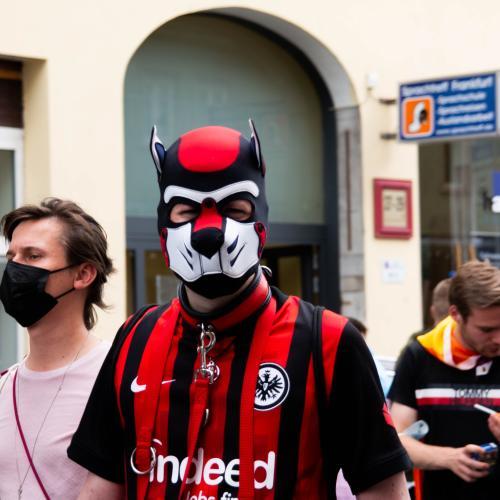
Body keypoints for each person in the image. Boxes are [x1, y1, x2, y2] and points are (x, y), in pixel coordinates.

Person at [69, 122, 410, 499]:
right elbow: (101, 485)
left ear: (261, 218)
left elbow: (384, 491)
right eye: (185, 211)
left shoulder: (329, 343)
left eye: (235, 208)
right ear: (164, 222)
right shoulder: (136, 337)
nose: (209, 231)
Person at [0, 198, 114, 499]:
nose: (14, 268)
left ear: (83, 275)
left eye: (33, 256)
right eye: (12, 257)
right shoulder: (3, 385)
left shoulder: (117, 379)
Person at [389, 260, 500, 500]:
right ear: (455, 314)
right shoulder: (420, 355)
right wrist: (450, 458)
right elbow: (395, 439)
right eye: (487, 330)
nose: (498, 338)